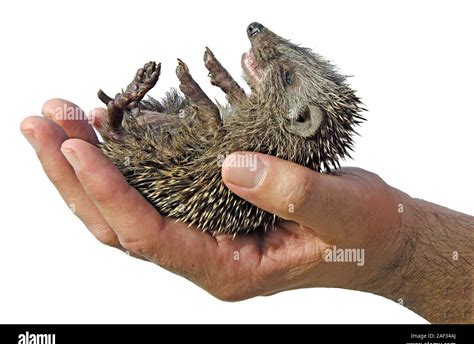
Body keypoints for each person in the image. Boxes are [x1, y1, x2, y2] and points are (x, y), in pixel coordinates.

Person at [21, 99, 473, 323]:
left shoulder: (254, 143)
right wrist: (396, 249)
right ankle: (124, 111)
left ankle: (122, 112)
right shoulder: (259, 124)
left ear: (301, 120)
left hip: (195, 144)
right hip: (189, 137)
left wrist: (395, 252)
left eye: (287, 81)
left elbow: (214, 125)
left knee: (187, 131)